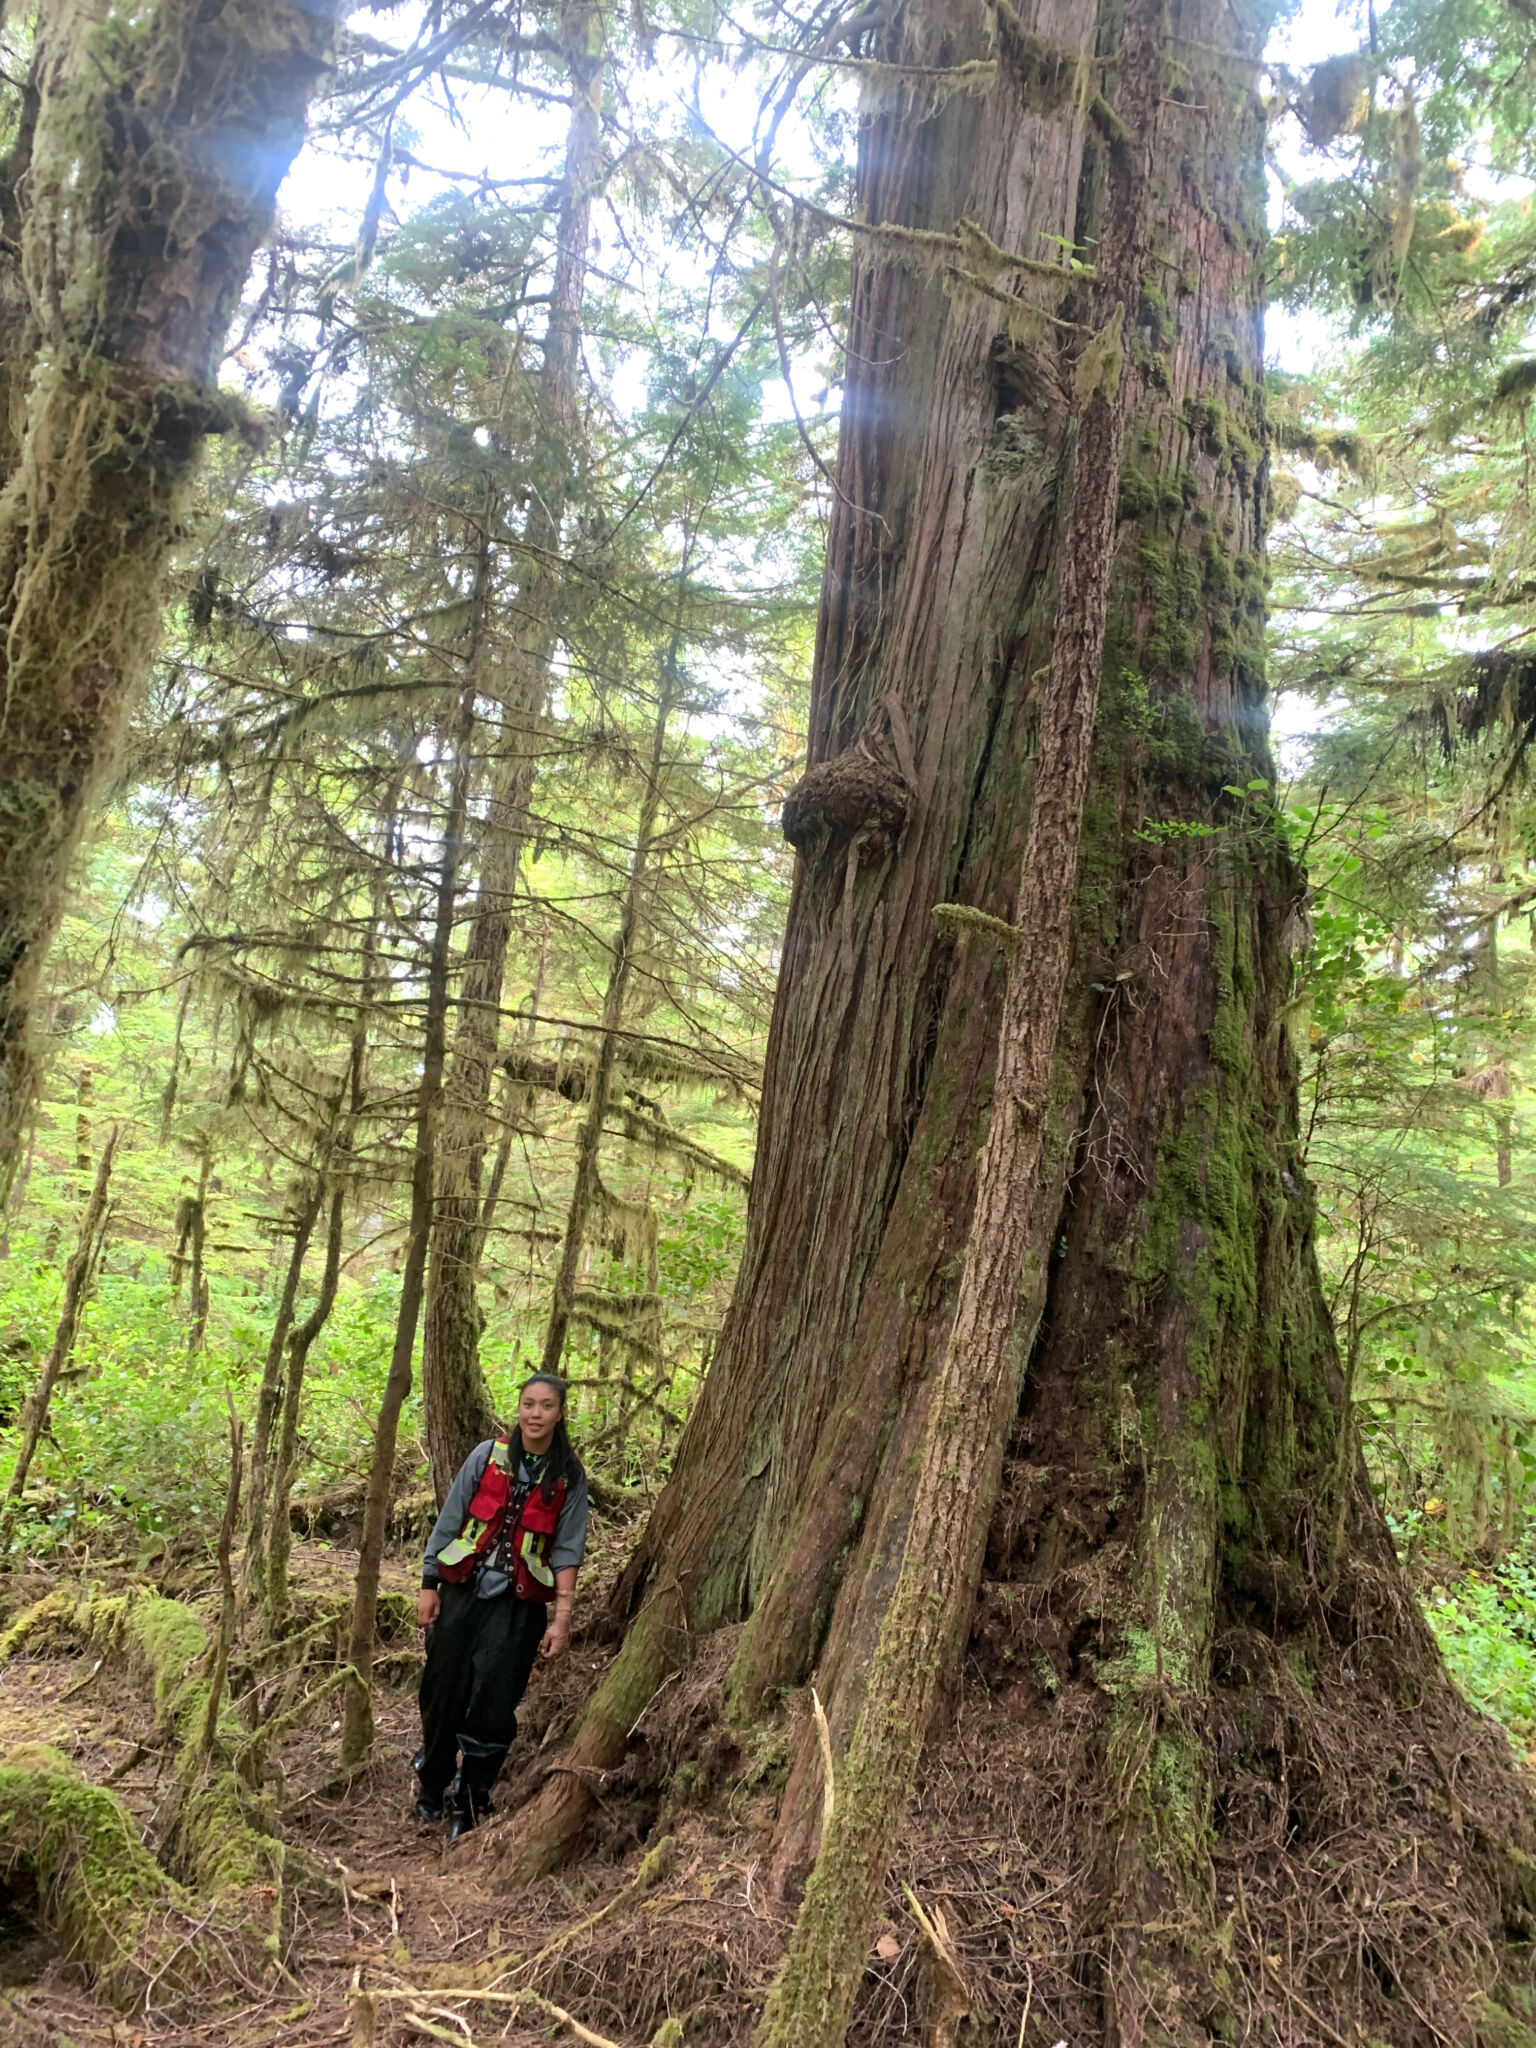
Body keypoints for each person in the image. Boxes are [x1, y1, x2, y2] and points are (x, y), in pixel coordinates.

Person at [414, 1371, 588, 1837]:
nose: (536, 1414)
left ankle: (469, 1801)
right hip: (462, 1592)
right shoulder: (486, 1456)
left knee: (494, 1701)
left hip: (518, 1607)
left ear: (560, 1412)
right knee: (441, 1689)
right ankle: (430, 1783)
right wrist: (430, 1583)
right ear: (519, 1408)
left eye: (546, 1405)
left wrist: (562, 1620)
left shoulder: (569, 1477)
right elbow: (451, 1517)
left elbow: (569, 1550)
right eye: (529, 1404)